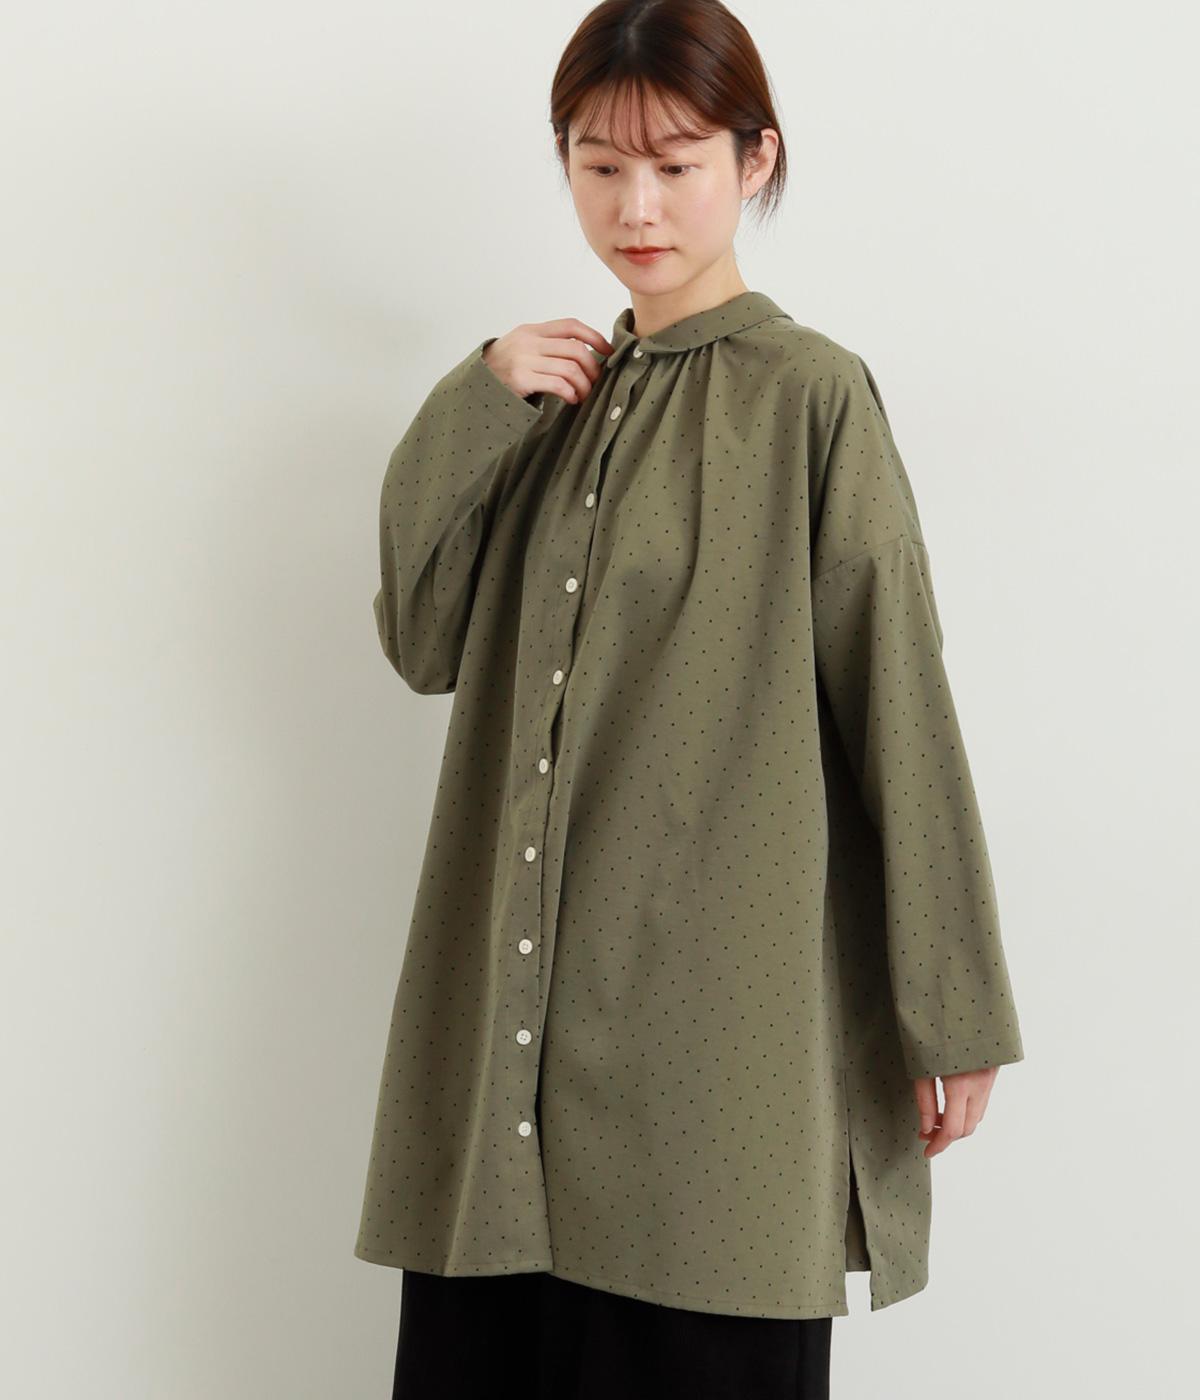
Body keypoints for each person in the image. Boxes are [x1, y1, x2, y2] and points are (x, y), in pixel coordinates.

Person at [358, 3, 1025, 1396]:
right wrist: (477, 400)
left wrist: (951, 1006)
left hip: (714, 1056)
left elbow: (900, 696)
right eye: (601, 167)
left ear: (754, 160)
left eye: (676, 165)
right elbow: (422, 640)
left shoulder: (811, 398)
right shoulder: (543, 406)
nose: (638, 207)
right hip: (507, 1066)